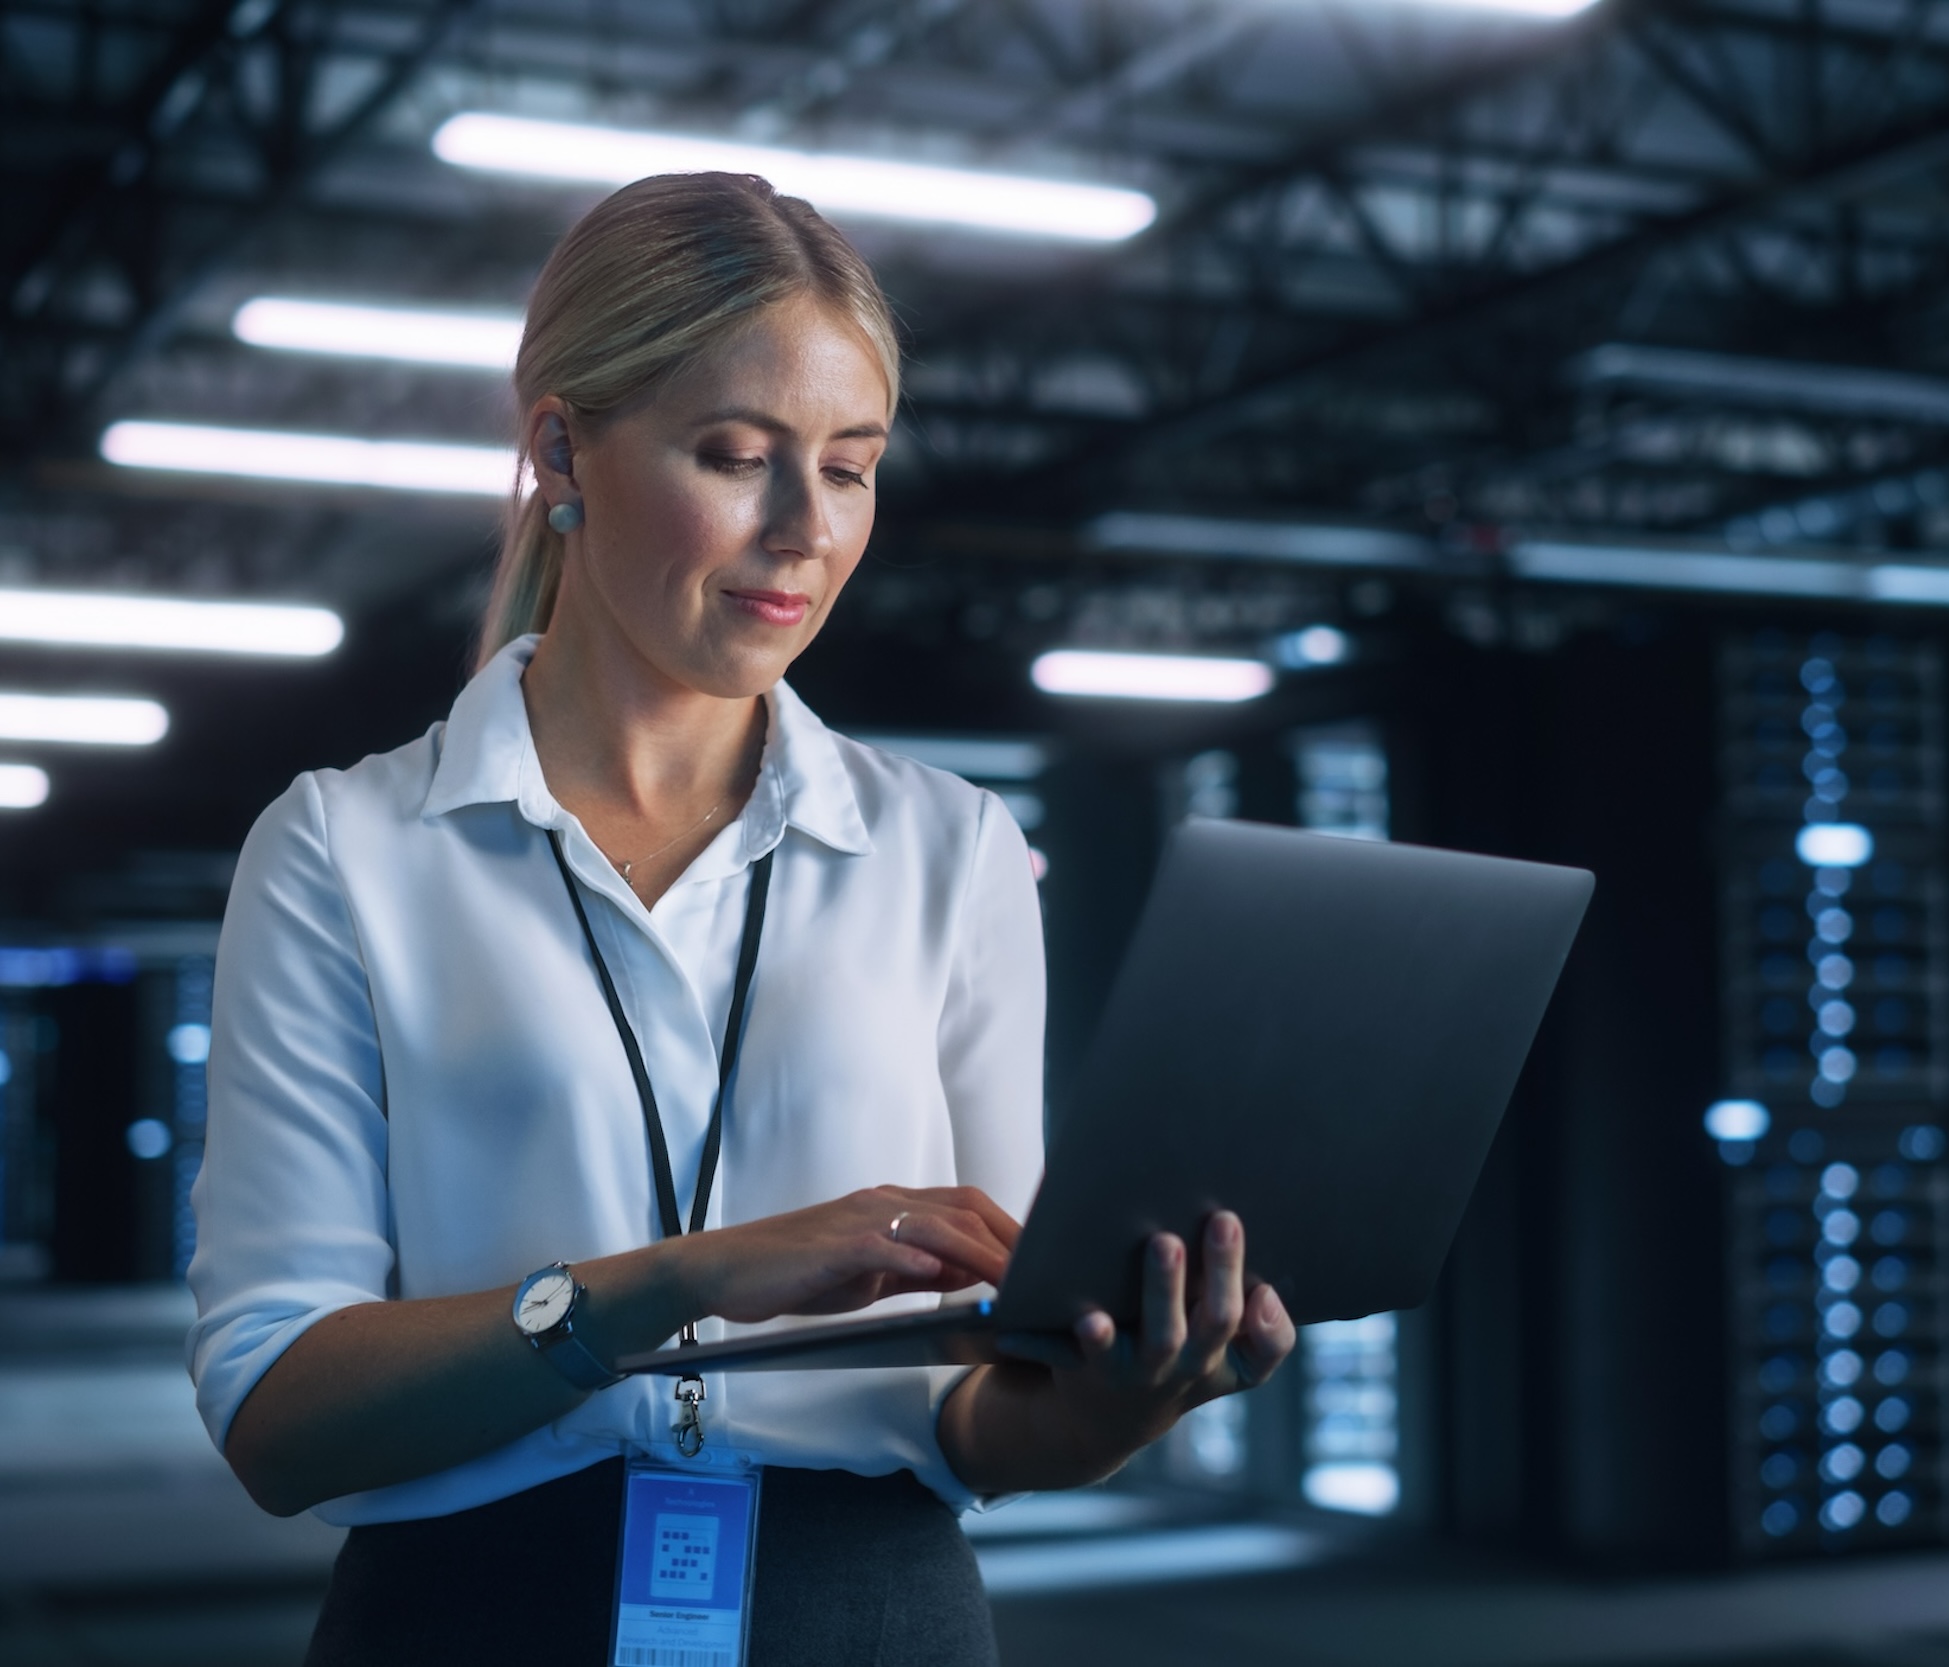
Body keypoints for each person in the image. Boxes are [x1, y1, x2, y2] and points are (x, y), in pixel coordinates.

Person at [185, 171, 1297, 1666]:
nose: (804, 530)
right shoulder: (347, 848)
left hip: (878, 1618)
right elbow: (275, 1416)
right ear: (561, 450)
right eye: (737, 457)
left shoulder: (950, 850)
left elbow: (983, 1406)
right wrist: (682, 1280)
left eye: (849, 468)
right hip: (470, 1618)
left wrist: (1121, 1394)